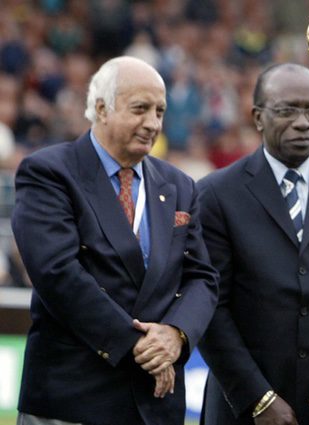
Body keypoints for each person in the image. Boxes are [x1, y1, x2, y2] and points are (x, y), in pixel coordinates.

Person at [10, 56, 219, 425]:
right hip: (72, 400)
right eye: (140, 109)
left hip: (157, 404)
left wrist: (176, 334)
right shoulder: (48, 172)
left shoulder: (180, 186)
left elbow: (202, 277)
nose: (153, 123)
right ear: (102, 109)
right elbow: (58, 274)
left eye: (159, 111)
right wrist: (136, 344)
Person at [197, 63, 309, 425]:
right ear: (258, 117)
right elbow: (210, 307)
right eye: (287, 110)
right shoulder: (215, 195)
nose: (302, 122)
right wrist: (256, 397)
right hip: (244, 408)